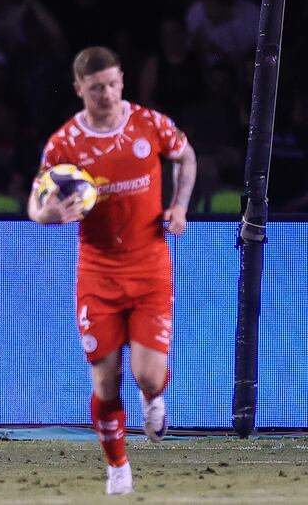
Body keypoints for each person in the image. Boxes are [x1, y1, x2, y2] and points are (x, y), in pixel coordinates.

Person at [27, 46, 197, 495]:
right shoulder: (65, 143)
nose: (106, 93)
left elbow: (187, 157)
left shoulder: (149, 124)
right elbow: (36, 199)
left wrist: (178, 207)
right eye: (96, 87)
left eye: (112, 84)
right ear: (80, 88)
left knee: (145, 374)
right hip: (98, 273)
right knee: (104, 379)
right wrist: (46, 216)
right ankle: (118, 467)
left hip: (149, 267)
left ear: (122, 81)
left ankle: (153, 398)